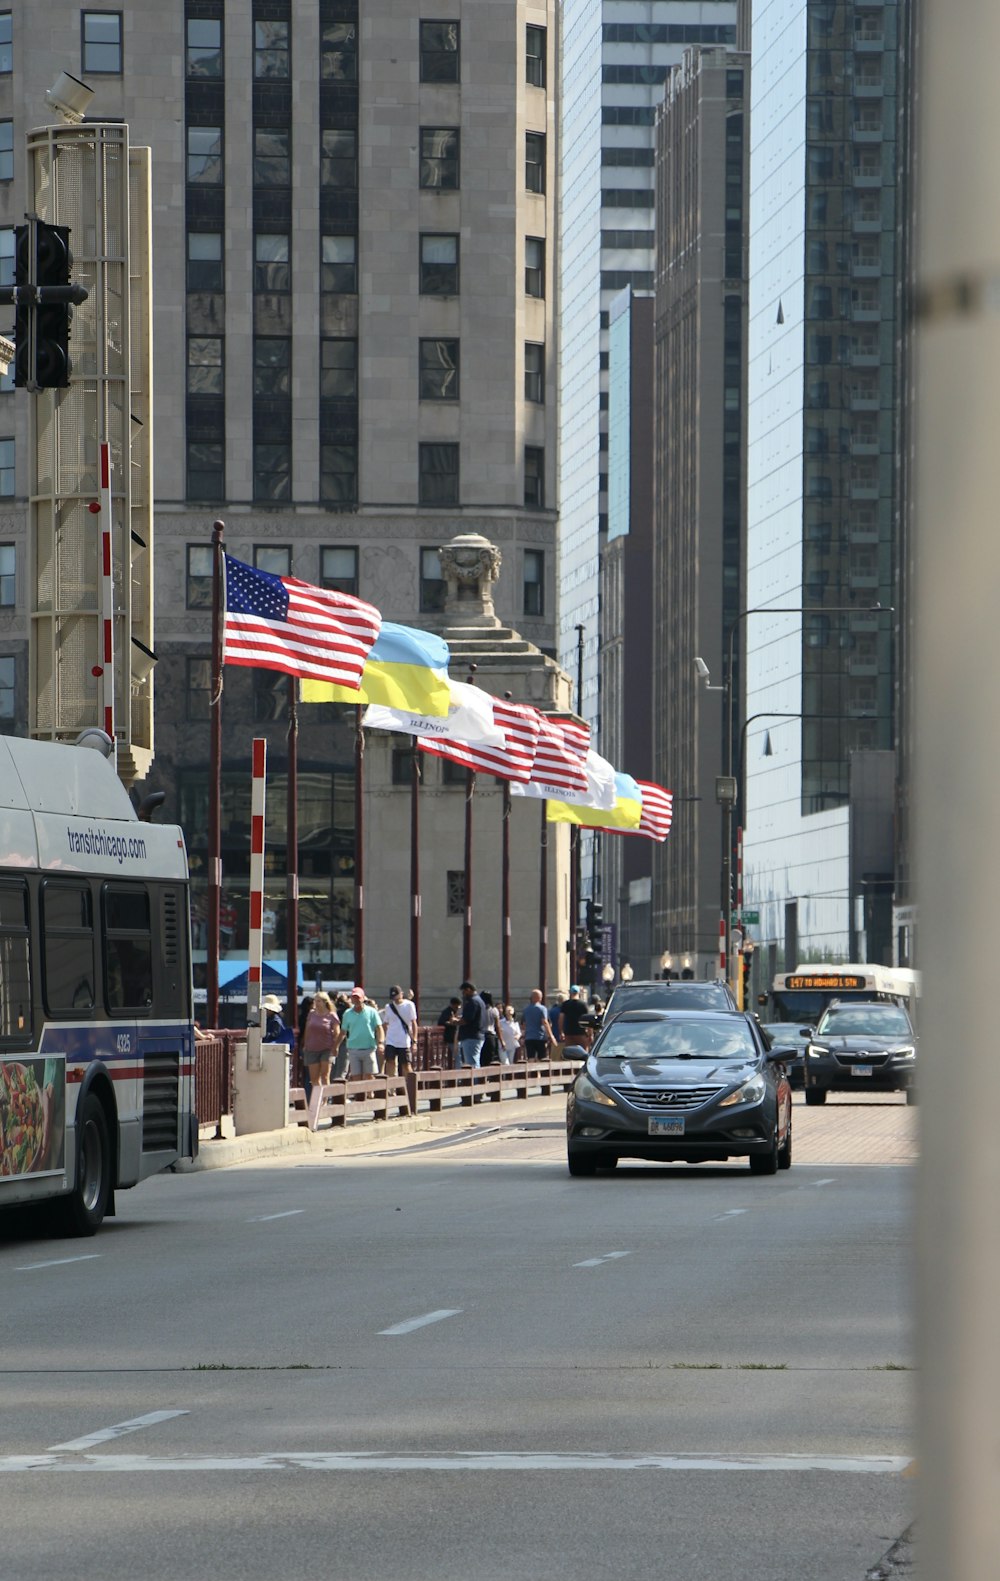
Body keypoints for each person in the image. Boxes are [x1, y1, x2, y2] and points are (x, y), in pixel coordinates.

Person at [336, 986, 384, 1080]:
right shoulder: (347, 1013)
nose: (356, 1000)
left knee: (369, 1075)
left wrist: (381, 1043)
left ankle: (370, 1094)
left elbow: (379, 1028)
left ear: (363, 998)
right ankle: (359, 1095)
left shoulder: (372, 1012)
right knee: (356, 1077)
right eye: (354, 997)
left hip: (369, 1048)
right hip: (353, 1049)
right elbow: (343, 1032)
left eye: (358, 997)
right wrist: (336, 1046)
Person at [301, 990, 340, 1088]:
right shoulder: (311, 1014)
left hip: (327, 1048)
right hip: (312, 1048)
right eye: (315, 1001)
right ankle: (318, 1098)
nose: (316, 1003)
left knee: (324, 1076)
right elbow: (307, 1029)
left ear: (324, 1002)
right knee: (314, 1079)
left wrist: (335, 1047)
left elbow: (337, 1033)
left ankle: (325, 1100)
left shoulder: (331, 1015)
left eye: (319, 1001)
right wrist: (305, 1044)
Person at [381, 984, 418, 1076]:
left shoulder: (409, 1005)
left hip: (404, 1040)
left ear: (401, 994)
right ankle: (391, 1088)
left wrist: (415, 1041)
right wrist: (383, 1040)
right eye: (393, 997)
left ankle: (410, 1085)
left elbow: (414, 1023)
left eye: (396, 996)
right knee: (390, 1063)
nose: (395, 999)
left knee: (406, 1065)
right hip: (391, 1039)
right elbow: (385, 1024)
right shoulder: (388, 1007)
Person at [457, 980, 488, 1067]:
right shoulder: (480, 1001)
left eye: (464, 991)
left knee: (471, 1062)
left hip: (471, 1036)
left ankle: (475, 1081)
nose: (463, 994)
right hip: (478, 1035)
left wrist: (455, 1022)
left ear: (469, 989)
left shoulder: (473, 1002)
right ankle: (476, 1080)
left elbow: (467, 1019)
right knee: (475, 1060)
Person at [521, 989, 556, 1061]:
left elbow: (524, 1024)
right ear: (539, 997)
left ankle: (531, 1072)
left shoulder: (526, 1010)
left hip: (529, 1037)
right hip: (540, 1037)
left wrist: (524, 1035)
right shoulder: (542, 1009)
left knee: (531, 1058)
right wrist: (551, 1036)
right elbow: (545, 1022)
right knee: (543, 1058)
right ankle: (541, 1072)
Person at [560, 984, 591, 1049]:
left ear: (570, 993)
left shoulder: (565, 1004)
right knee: (584, 1053)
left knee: (570, 1054)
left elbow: (561, 1018)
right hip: (581, 1032)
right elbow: (588, 1019)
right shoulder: (583, 1004)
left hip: (568, 1032)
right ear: (579, 993)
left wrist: (561, 1031)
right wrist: (590, 1033)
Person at [437, 997, 462, 1067]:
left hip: (456, 1038)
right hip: (451, 1038)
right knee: (458, 1058)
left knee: (458, 1058)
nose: (458, 1008)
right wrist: (451, 1023)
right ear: (452, 1005)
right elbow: (441, 1023)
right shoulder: (447, 1012)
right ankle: (458, 1076)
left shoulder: (456, 1012)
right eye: (456, 1006)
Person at [480, 991, 502, 1064]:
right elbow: (497, 1026)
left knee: (481, 1058)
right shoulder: (494, 1010)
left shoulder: (479, 1009)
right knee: (491, 1058)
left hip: (480, 1035)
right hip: (491, 1036)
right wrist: (501, 1040)